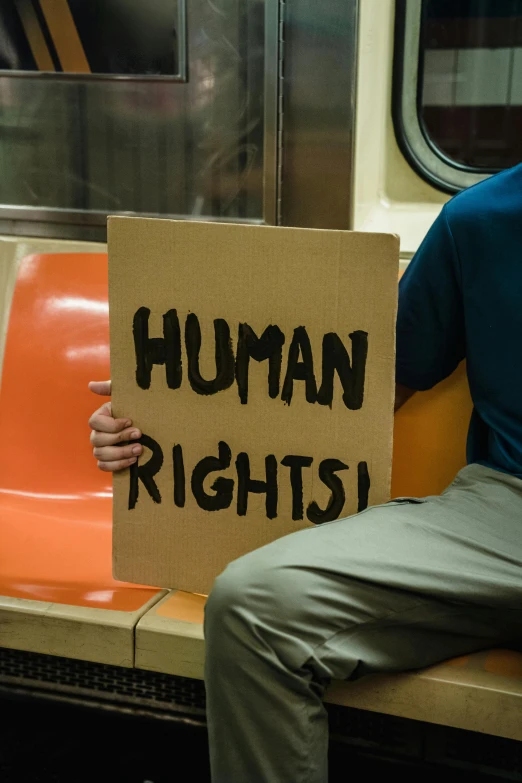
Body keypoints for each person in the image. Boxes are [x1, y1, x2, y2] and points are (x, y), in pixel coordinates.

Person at [89, 166, 522, 783]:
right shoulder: (481, 218)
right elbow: (351, 387)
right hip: (503, 508)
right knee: (253, 606)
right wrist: (155, 417)